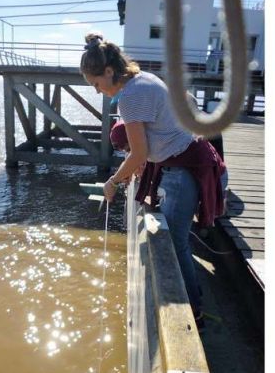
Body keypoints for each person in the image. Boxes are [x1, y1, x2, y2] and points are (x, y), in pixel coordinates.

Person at [81, 32, 227, 331]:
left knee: (175, 244)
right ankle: (193, 306)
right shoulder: (143, 78)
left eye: (96, 84)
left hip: (183, 169)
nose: (97, 91)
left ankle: (194, 313)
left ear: (109, 72)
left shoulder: (130, 97)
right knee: (177, 242)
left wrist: (112, 182)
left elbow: (138, 154)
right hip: (189, 159)